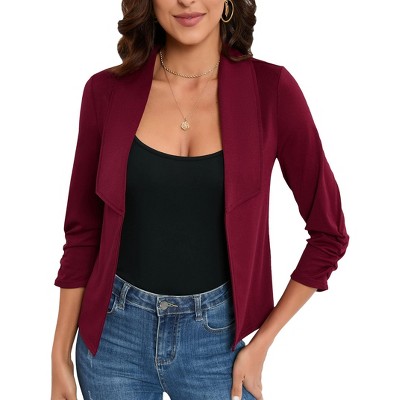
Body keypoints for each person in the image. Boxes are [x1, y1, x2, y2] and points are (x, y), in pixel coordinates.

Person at [51, 1, 349, 399]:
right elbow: (83, 230)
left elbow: (329, 233)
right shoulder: (105, 92)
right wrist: (59, 354)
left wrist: (261, 343)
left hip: (217, 346)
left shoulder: (271, 90)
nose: (187, 1)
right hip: (112, 341)